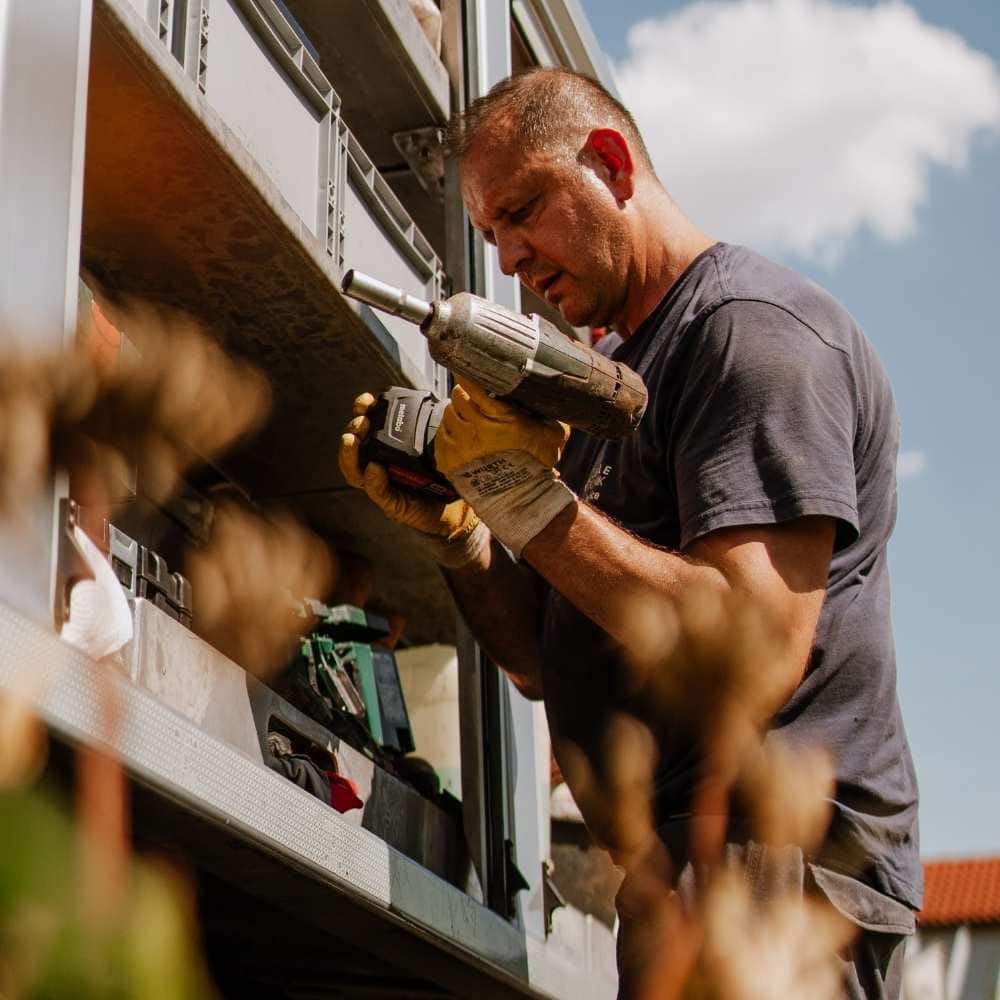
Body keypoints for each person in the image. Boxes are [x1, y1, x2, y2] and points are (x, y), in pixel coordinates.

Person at [339, 68, 921, 998]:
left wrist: (525, 497)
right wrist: (470, 535)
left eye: (525, 209)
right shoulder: (606, 377)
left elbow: (757, 646)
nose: (514, 255)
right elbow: (540, 659)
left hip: (781, 877)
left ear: (610, 163)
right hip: (685, 877)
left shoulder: (750, 335)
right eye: (494, 235)